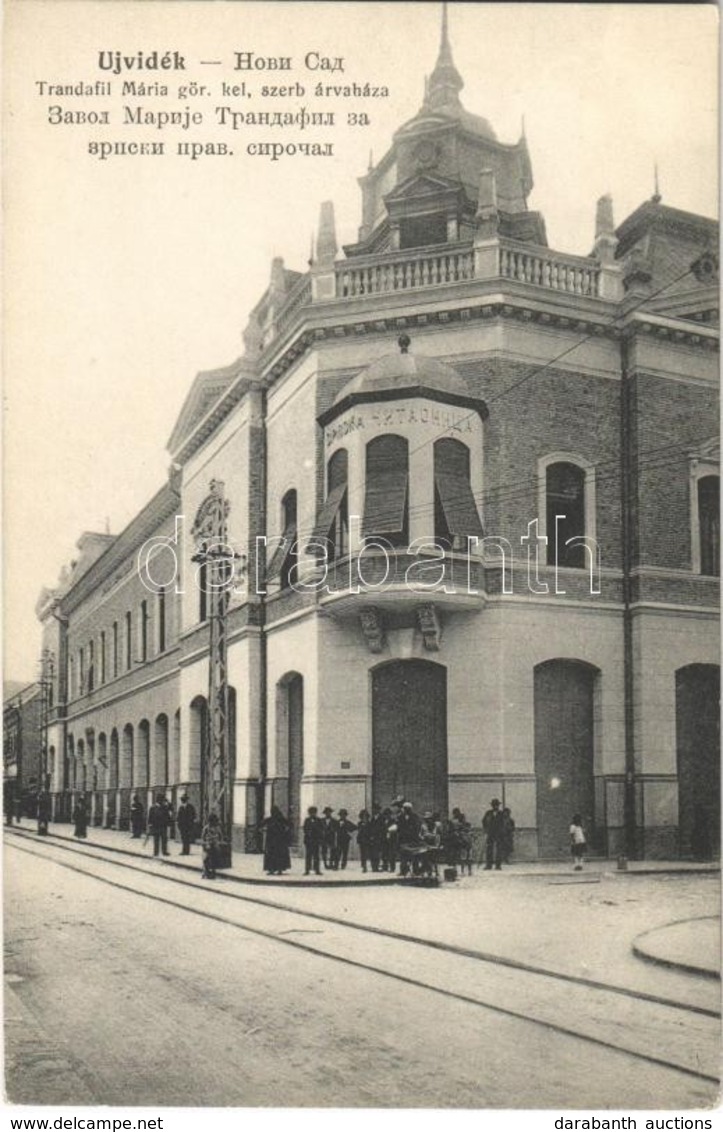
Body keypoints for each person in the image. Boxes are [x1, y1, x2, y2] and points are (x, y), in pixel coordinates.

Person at [261, 805, 292, 875]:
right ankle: (279, 869)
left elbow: (261, 825)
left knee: (272, 855)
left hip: (272, 841)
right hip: (280, 841)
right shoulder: (280, 819)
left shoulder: (270, 820)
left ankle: (272, 869)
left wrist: (263, 829)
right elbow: (289, 825)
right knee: (279, 855)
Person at [482, 798, 505, 870]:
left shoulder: (501, 813)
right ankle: (489, 865)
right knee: (489, 849)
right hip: (490, 833)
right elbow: (483, 821)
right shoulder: (488, 813)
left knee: (499, 849)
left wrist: (501, 831)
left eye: (496, 805)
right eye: (494, 805)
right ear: (492, 805)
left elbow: (503, 823)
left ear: (498, 805)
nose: (495, 806)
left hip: (498, 834)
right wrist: (486, 829)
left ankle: (498, 865)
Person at [303, 805, 324, 875]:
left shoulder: (319, 820)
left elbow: (321, 829)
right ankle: (307, 870)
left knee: (316, 856)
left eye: (314, 812)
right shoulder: (307, 820)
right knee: (308, 856)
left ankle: (317, 870)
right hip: (309, 841)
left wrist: (319, 838)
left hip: (316, 841)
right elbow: (305, 829)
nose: (312, 814)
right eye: (311, 813)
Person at [202, 811, 223, 879]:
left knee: (210, 859)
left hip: (213, 845)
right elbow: (203, 837)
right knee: (207, 859)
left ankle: (210, 872)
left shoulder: (216, 828)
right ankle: (206, 872)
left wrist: (218, 842)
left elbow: (220, 836)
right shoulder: (207, 828)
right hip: (209, 845)